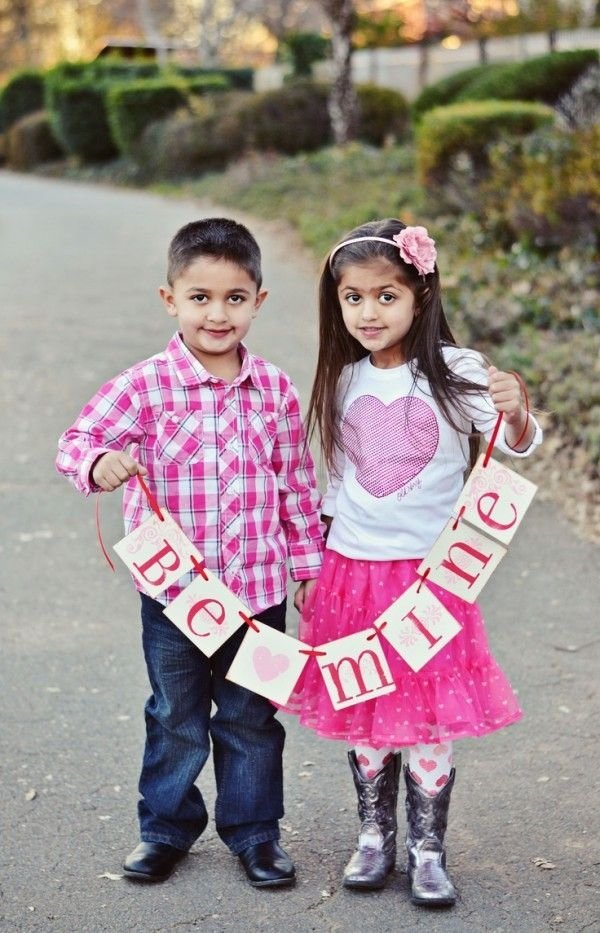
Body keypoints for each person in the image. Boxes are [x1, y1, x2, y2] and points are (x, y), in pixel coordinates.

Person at [56, 217, 324, 886]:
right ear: (169, 298)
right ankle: (166, 829)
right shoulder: (144, 386)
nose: (217, 312)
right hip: (175, 595)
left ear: (258, 301)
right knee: (175, 715)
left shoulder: (275, 391)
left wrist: (308, 566)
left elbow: (295, 482)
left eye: (235, 297)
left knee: (250, 716)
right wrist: (101, 462)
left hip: (258, 593)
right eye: (199, 296)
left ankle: (255, 833)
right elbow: (74, 443)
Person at [286, 218, 542, 906]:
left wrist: (516, 413)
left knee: (428, 714)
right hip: (352, 570)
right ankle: (375, 836)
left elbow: (513, 442)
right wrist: (313, 563)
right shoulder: (342, 379)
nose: (370, 311)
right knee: (368, 708)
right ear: (337, 304)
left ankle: (429, 845)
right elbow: (339, 479)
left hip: (431, 577)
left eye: (387, 295)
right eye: (354, 298)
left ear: (420, 296)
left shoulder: (456, 372)